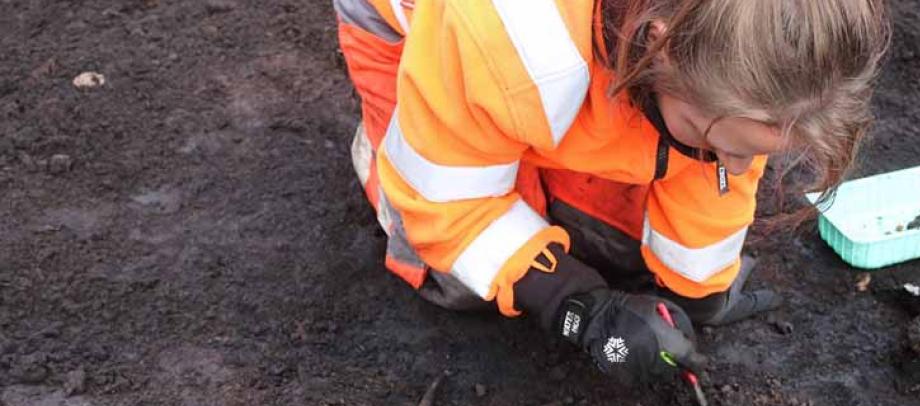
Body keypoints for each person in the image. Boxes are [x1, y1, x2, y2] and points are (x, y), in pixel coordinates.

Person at [333, 0, 889, 384]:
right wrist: (577, 305)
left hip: (567, 72)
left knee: (617, 247)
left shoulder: (746, 38)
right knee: (463, 282)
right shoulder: (517, 34)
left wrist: (699, 292)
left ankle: (532, 141)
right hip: (431, 34)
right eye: (715, 139)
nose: (742, 166)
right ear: (659, 48)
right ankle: (392, 146)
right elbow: (447, 205)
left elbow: (714, 171)